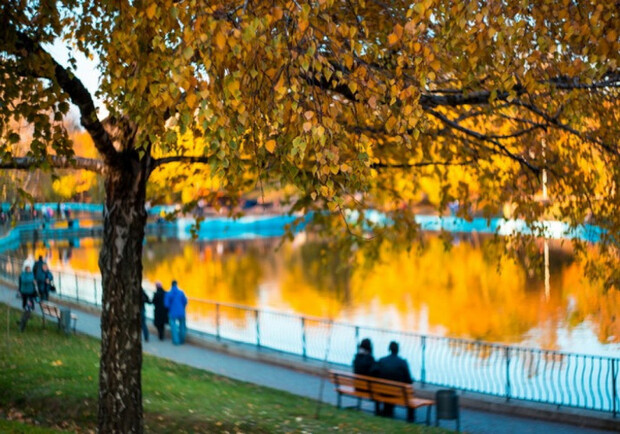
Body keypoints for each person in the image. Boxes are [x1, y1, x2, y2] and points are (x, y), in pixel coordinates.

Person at [376, 341, 413, 417]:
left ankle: (385, 412)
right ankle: (410, 418)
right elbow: (409, 380)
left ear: (389, 349)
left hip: (382, 391)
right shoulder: (402, 362)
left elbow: (375, 373)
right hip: (396, 393)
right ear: (398, 350)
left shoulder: (382, 360)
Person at [164, 280, 187, 345]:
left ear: (171, 285)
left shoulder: (169, 293)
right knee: (182, 326)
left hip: (172, 312)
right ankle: (182, 339)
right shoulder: (181, 292)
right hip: (181, 312)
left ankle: (176, 341)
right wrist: (182, 307)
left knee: (173, 327)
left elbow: (166, 305)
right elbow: (185, 301)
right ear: (177, 285)